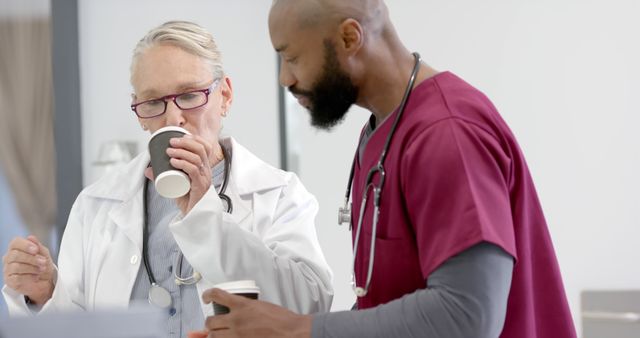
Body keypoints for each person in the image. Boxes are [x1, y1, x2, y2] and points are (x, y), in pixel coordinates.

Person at [195, 1, 577, 337]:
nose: (285, 79)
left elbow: (467, 316)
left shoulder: (448, 132)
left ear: (349, 38)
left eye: (292, 57)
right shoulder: (380, 132)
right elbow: (390, 303)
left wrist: (299, 331)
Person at [1, 21, 333, 338]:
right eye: (154, 102)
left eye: (189, 96)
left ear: (225, 96)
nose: (173, 117)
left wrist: (205, 214)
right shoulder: (96, 204)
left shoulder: (278, 194)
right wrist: (44, 295)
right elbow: (78, 326)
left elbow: (309, 304)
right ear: (139, 112)